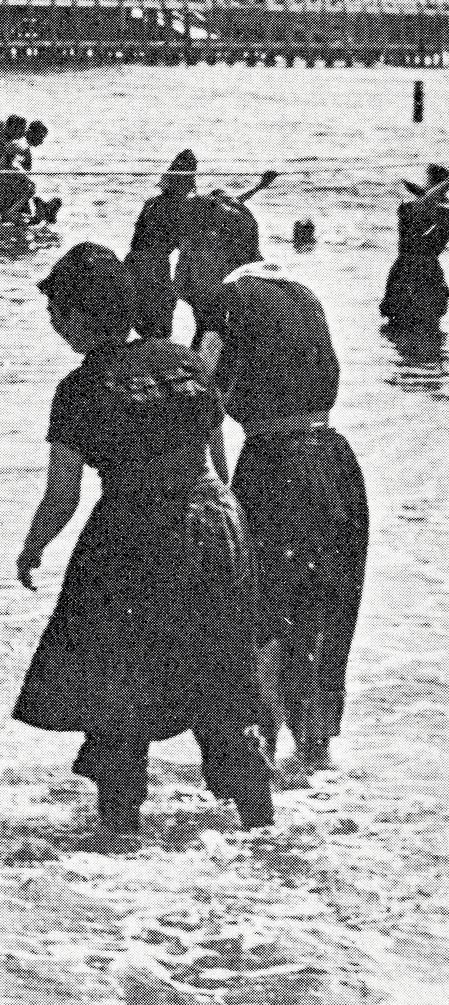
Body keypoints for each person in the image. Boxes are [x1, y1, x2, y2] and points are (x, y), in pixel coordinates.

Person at [13, 243, 273, 833]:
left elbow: (63, 496)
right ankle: (264, 828)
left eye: (57, 311)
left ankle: (119, 836)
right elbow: (217, 460)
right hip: (214, 525)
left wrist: (34, 548)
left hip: (135, 535)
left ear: (77, 319)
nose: (54, 323)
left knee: (117, 691)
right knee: (218, 682)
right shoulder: (181, 360)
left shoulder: (79, 389)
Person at [176, 193, 368, 768]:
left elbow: (198, 403)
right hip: (335, 461)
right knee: (324, 617)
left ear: (213, 249)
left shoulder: (228, 301)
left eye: (185, 252)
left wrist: (206, 490)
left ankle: (259, 767)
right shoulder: (299, 290)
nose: (178, 267)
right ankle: (316, 767)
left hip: (278, 466)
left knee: (260, 620)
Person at [124, 149, 198, 340]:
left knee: (145, 327)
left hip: (133, 264)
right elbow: (220, 213)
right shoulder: (182, 208)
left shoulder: (152, 203)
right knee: (160, 331)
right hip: (153, 267)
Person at [380, 164, 449, 333]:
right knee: (402, 326)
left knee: (428, 328)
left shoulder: (443, 214)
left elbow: (427, 203)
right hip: (410, 272)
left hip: (423, 274)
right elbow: (425, 205)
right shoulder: (408, 208)